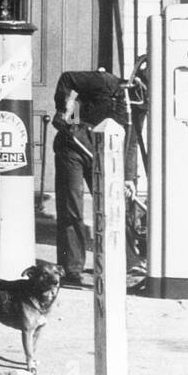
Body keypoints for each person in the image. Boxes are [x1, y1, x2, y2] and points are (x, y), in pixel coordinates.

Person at [51, 68, 137, 288]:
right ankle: (71, 268)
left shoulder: (139, 105)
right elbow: (67, 78)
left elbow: (132, 139)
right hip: (74, 146)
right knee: (72, 206)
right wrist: (64, 111)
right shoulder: (105, 81)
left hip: (103, 150)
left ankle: (126, 265)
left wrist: (128, 177)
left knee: (113, 204)